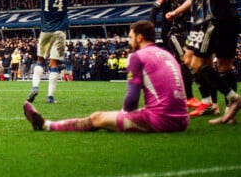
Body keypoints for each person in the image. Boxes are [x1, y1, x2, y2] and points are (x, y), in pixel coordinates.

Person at [23, 20, 189, 133]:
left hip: (162, 120)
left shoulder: (138, 56)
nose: (129, 41)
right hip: (182, 119)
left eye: (130, 37)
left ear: (139, 38)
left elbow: (131, 100)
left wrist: (123, 116)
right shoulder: (167, 54)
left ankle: (46, 125)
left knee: (97, 118)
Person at [148, 0, 201, 109]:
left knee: (177, 65)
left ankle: (169, 95)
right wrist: (151, 29)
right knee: (186, 61)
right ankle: (189, 97)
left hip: (183, 33)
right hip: (171, 33)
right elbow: (154, 10)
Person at [27, 0, 79, 104]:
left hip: (45, 30)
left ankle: (35, 86)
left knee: (40, 60)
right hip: (60, 31)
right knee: (54, 63)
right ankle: (50, 97)